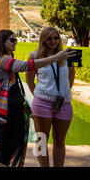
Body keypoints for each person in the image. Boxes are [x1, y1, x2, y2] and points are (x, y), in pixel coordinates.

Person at [0, 29, 76, 167]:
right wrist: (55, 58)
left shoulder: (6, 58)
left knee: (12, 147)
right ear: (1, 42)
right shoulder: (0, 60)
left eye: (16, 40)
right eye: (12, 40)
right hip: (7, 110)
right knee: (7, 149)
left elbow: (69, 80)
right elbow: (25, 67)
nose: (15, 42)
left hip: (15, 109)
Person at [25, 27, 75, 167]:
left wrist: (61, 94)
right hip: (42, 103)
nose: (53, 41)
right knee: (41, 140)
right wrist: (41, 94)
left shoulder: (67, 56)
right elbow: (29, 80)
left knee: (60, 141)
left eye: (55, 38)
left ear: (59, 39)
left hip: (63, 104)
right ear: (43, 40)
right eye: (49, 38)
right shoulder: (35, 56)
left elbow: (70, 80)